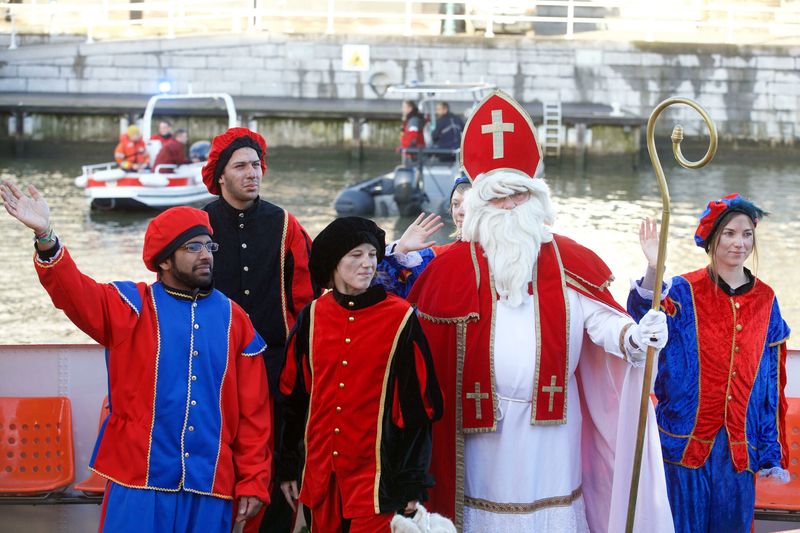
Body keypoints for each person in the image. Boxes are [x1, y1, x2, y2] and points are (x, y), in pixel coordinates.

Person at [406, 91, 674, 532]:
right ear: (479, 205)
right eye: (499, 198)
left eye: (518, 196)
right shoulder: (450, 268)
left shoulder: (568, 258)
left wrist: (633, 336)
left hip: (552, 432)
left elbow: (600, 321)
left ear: (535, 200)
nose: (510, 207)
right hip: (481, 433)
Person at [0, 182, 271, 532]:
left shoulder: (237, 320)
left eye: (209, 245)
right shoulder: (132, 306)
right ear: (164, 260)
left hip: (210, 484)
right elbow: (75, 293)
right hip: (137, 480)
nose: (206, 254)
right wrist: (47, 236)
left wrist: (253, 479)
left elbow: (255, 415)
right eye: (193, 247)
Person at [628, 194, 791, 533]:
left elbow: (771, 379)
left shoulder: (766, 299)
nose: (739, 243)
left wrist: (770, 448)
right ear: (712, 238)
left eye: (746, 234)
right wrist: (655, 270)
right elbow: (644, 318)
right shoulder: (684, 291)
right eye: (729, 233)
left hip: (738, 449)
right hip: (684, 442)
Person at [278, 216, 443, 532]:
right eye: (356, 255)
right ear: (333, 263)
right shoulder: (312, 316)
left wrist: (412, 483)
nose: (368, 263)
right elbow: (294, 398)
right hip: (320, 482)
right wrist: (287, 467)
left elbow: (418, 411)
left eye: (371, 254)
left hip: (377, 485)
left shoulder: (400, 319)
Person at [201, 127, 317, 533]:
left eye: (256, 165)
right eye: (241, 166)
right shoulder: (199, 225)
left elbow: (306, 296)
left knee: (276, 467)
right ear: (220, 176)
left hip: (275, 368)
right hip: (213, 368)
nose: (253, 173)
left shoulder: (285, 225)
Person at [375, 175, 470, 298]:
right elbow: (385, 290)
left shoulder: (501, 256)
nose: (460, 212)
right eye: (455, 204)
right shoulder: (436, 256)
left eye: (469, 204)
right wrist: (401, 250)